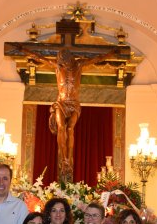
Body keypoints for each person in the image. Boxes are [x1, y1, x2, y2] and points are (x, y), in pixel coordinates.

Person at [14, 44, 116, 180]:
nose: (63, 61)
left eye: (65, 59)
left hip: (73, 104)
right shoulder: (58, 67)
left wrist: (110, 54)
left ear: (70, 59)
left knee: (70, 128)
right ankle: (64, 158)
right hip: (61, 103)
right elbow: (40, 58)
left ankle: (68, 157)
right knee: (61, 128)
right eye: (62, 59)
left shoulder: (78, 66)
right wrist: (24, 50)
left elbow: (96, 59)